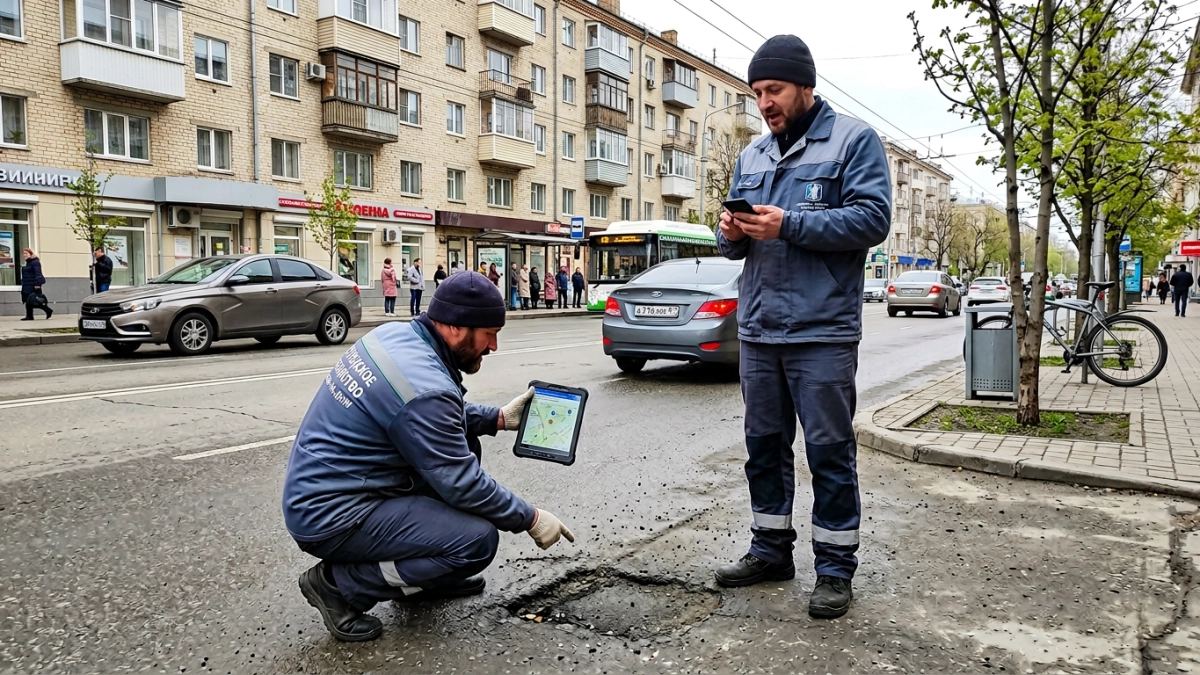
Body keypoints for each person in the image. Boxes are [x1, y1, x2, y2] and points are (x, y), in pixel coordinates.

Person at [283, 272, 575, 642]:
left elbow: (424, 415)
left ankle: (427, 577)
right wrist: (530, 518)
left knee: (467, 442)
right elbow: (462, 483)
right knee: (476, 541)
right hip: (332, 514)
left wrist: (497, 418)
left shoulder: (395, 336)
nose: (494, 346)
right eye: (489, 334)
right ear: (455, 328)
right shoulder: (424, 387)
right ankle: (338, 586)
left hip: (328, 488)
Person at [714, 35, 890, 620]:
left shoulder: (853, 141)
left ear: (806, 87)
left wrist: (789, 224)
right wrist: (731, 233)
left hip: (822, 332)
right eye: (756, 92)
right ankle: (770, 551)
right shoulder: (753, 156)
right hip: (761, 330)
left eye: (775, 90)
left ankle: (835, 569)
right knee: (762, 449)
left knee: (828, 452)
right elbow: (733, 246)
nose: (764, 102)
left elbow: (872, 220)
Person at [21, 248, 51, 321]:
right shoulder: (28, 262)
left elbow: (38, 273)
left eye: (26, 253)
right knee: (28, 301)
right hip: (27, 284)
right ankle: (29, 316)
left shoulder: (35, 262)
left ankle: (48, 310)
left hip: (33, 285)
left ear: (31, 254)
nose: (24, 255)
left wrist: (37, 284)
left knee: (36, 301)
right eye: (24, 253)